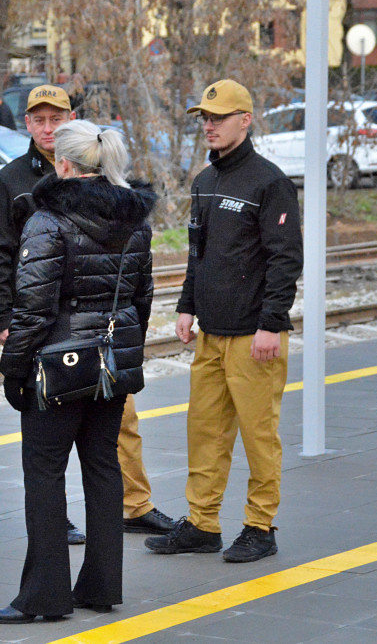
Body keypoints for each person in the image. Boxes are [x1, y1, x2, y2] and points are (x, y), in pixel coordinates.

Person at [0, 87, 175, 543]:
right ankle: (65, 520)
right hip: (49, 333)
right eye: (39, 119)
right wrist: (4, 318)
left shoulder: (109, 184)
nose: (47, 127)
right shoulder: (8, 183)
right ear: (27, 123)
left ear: (71, 121)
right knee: (58, 442)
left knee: (108, 435)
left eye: (56, 118)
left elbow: (138, 286)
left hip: (97, 338)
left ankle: (133, 504)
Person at [0, 119, 156, 624]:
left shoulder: (47, 221)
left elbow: (34, 310)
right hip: (110, 364)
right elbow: (142, 299)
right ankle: (101, 586)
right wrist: (127, 351)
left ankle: (43, 597)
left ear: (63, 163)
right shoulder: (136, 219)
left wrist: (12, 369)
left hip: (57, 367)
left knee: (44, 474)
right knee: (104, 469)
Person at [145, 79, 302, 564]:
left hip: (254, 335)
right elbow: (199, 253)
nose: (209, 126)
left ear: (246, 120)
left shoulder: (269, 182)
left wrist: (270, 324)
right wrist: (187, 307)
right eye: (205, 119)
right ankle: (201, 523)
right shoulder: (205, 183)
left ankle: (260, 526)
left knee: (258, 435)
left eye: (219, 117)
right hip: (211, 332)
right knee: (205, 431)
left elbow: (285, 259)